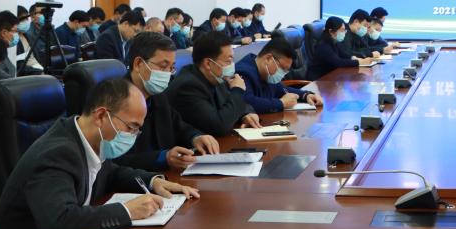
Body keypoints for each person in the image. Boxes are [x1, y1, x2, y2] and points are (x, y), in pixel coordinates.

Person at [0, 77, 198, 229]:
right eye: (131, 127)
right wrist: (128, 211)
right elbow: (59, 222)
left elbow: (111, 173)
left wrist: (153, 181)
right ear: (101, 116)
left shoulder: (87, 138)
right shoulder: (58, 153)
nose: (134, 136)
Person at [116, 32, 220, 171]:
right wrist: (163, 158)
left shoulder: (158, 95)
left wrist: (195, 137)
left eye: (171, 68)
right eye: (163, 66)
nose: (167, 74)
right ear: (138, 64)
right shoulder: (116, 102)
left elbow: (179, 127)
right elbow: (116, 161)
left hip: (168, 175)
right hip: (137, 180)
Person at [166, 30, 261, 135]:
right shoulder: (188, 86)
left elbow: (235, 103)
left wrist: (246, 114)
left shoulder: (216, 77)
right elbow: (219, 126)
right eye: (228, 61)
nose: (231, 65)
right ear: (208, 63)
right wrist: (238, 91)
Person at [235, 36, 322, 114]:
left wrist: (305, 95)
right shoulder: (243, 72)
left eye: (285, 71)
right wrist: (281, 103)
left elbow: (281, 89)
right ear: (268, 59)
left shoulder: (266, 73)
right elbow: (247, 102)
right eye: (282, 68)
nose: (282, 75)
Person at [307, 17, 376, 79]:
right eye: (342, 30)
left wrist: (353, 58)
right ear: (331, 31)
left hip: (329, 76)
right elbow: (339, 62)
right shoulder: (323, 46)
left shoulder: (333, 41)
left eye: (345, 30)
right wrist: (359, 62)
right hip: (318, 80)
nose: (344, 33)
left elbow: (343, 54)